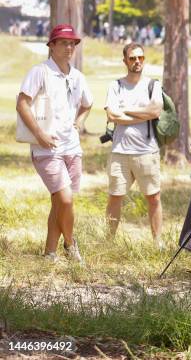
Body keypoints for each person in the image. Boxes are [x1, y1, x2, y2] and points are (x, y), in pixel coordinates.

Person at [16, 24, 93, 263]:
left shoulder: (78, 76)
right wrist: (39, 134)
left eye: (72, 43)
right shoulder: (40, 71)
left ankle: (50, 253)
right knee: (66, 199)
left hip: (72, 148)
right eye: (63, 43)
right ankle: (70, 244)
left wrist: (78, 122)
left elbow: (87, 104)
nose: (69, 47)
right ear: (51, 46)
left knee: (59, 202)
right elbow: (22, 103)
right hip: (46, 148)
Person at [104, 43, 164, 246]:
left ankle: (158, 243)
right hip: (120, 151)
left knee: (153, 197)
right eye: (132, 58)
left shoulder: (152, 85)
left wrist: (126, 111)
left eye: (140, 58)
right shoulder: (116, 86)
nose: (137, 61)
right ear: (125, 61)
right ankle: (109, 242)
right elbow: (112, 115)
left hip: (147, 151)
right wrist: (141, 113)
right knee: (115, 197)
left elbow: (155, 112)